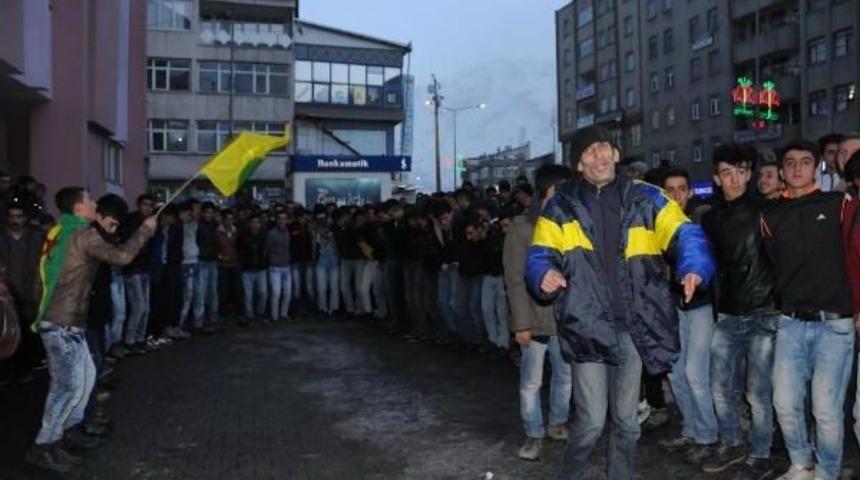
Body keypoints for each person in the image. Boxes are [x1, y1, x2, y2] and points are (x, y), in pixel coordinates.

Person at [525, 126, 715, 480]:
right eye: (588, 153)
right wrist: (543, 274)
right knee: (592, 423)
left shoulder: (649, 197)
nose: (598, 157)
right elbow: (539, 254)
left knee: (627, 422)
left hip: (633, 327)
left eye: (603, 148)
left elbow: (685, 232)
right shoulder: (560, 206)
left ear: (615, 154)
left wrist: (693, 266)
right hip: (587, 326)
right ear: (579, 165)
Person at [26, 187, 155, 473]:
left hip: (67, 321)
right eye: (89, 200)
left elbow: (41, 277)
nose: (94, 203)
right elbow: (121, 257)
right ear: (78, 208)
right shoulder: (83, 234)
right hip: (63, 323)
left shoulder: (61, 232)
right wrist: (145, 230)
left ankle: (66, 433)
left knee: (84, 379)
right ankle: (43, 445)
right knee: (68, 386)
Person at [761, 140, 856, 480]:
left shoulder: (839, 204)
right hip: (791, 323)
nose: (797, 168)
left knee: (826, 411)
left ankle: (827, 474)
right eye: (790, 162)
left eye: (805, 161)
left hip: (835, 324)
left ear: (817, 167)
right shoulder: (769, 214)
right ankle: (801, 465)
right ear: (782, 170)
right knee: (784, 403)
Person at [700, 144, 779, 478]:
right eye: (726, 173)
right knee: (718, 385)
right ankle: (732, 441)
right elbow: (712, 267)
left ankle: (761, 454)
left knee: (758, 392)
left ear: (750, 174)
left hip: (764, 311)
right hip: (729, 314)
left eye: (740, 172)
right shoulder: (712, 218)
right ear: (717, 178)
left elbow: (783, 259)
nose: (734, 179)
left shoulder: (768, 211)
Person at [505, 164, 573, 461]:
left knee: (565, 375)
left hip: (564, 318)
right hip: (533, 319)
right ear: (544, 194)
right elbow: (515, 280)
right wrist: (521, 325)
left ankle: (557, 422)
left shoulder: (572, 225)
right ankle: (533, 433)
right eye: (558, 193)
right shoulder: (521, 228)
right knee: (531, 381)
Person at [657, 167, 719, 468]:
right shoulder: (657, 224)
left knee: (696, 372)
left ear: (690, 192)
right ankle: (691, 429)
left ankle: (708, 436)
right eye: (670, 190)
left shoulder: (702, 220)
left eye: (682, 188)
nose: (677, 195)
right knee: (676, 371)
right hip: (673, 307)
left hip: (702, 307)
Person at [0, 200, 43, 385]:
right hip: (5, 293)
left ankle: (25, 370)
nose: (15, 220)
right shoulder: (2, 238)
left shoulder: (35, 237)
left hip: (28, 292)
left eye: (19, 216)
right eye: (12, 216)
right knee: (7, 333)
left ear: (25, 218)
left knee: (26, 332)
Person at [120, 194, 156, 355]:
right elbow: (130, 243)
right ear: (138, 205)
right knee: (138, 307)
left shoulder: (152, 221)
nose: (148, 208)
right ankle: (130, 340)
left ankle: (140, 338)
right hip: (133, 269)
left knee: (146, 308)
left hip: (145, 268)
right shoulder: (131, 221)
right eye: (144, 204)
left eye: (150, 205)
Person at [237, 212, 268, 325]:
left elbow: (266, 250)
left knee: (263, 292)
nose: (255, 224)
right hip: (247, 268)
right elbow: (239, 250)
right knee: (248, 295)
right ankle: (249, 316)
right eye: (253, 222)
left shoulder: (264, 235)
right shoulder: (243, 235)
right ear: (249, 224)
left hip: (261, 268)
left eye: (257, 222)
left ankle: (260, 313)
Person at [194, 202, 220, 332]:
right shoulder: (198, 225)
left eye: (211, 212)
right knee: (201, 293)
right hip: (201, 261)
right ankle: (199, 321)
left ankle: (212, 320)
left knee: (213, 293)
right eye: (207, 212)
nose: (209, 215)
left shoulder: (216, 226)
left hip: (213, 261)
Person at [266, 210, 292, 323]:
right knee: (276, 293)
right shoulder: (271, 234)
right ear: (277, 220)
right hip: (275, 267)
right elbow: (266, 249)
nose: (282, 221)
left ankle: (284, 314)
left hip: (286, 266)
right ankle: (274, 316)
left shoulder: (288, 232)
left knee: (287, 293)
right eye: (280, 218)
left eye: (284, 218)